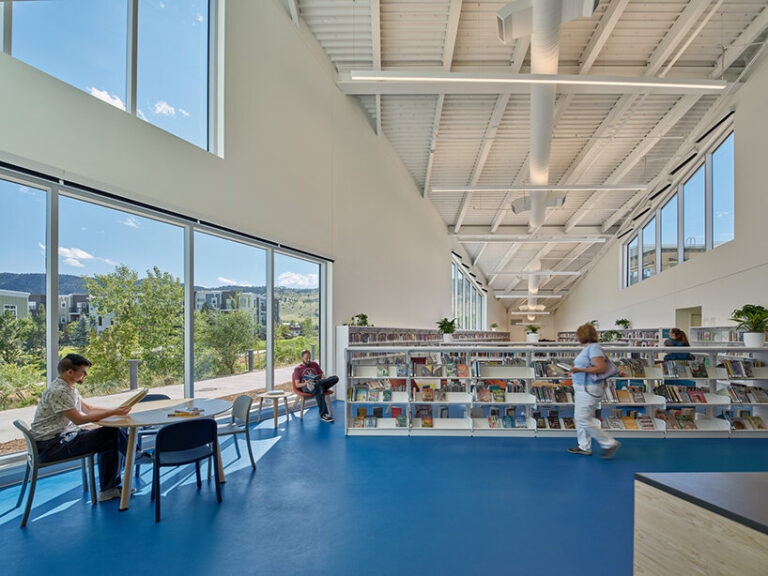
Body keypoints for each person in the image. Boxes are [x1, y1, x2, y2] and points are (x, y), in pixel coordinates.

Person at [30, 354, 131, 501]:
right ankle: (134, 456)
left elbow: (88, 409)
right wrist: (114, 412)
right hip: (50, 445)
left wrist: (115, 410)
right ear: (70, 372)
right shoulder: (60, 391)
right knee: (111, 434)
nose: (86, 375)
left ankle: (110, 487)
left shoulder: (69, 388)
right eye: (83, 372)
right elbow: (78, 419)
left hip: (61, 437)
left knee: (111, 435)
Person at [568, 324, 621, 458]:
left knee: (583, 418)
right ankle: (584, 446)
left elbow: (600, 368)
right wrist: (574, 373)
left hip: (589, 389)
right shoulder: (589, 348)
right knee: (581, 418)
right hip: (583, 388)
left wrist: (579, 370)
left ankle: (608, 442)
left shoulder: (594, 348)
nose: (576, 337)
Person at [293, 350, 338, 422]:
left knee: (335, 378)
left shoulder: (314, 364)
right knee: (319, 388)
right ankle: (324, 415)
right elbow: (297, 385)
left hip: (318, 383)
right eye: (306, 358)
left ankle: (318, 385)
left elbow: (322, 376)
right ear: (302, 357)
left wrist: (322, 378)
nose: (308, 360)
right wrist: (306, 383)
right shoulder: (298, 369)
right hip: (306, 386)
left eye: (309, 358)